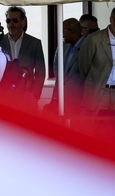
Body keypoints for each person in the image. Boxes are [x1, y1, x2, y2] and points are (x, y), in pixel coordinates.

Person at [78, 7, 115, 139]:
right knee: (96, 129)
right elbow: (83, 67)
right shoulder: (94, 39)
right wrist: (93, 83)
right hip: (99, 90)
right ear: (111, 20)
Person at [0, 6, 46, 103]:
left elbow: (40, 72)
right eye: (8, 21)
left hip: (27, 96)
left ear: (23, 22)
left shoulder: (34, 43)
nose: (11, 24)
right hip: (4, 96)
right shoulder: (0, 42)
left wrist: (34, 95)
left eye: (15, 20)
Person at [46, 18, 84, 116]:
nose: (62, 35)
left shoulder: (87, 46)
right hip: (60, 99)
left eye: (63, 31)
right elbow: (56, 69)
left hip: (79, 101)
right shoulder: (62, 46)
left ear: (72, 31)